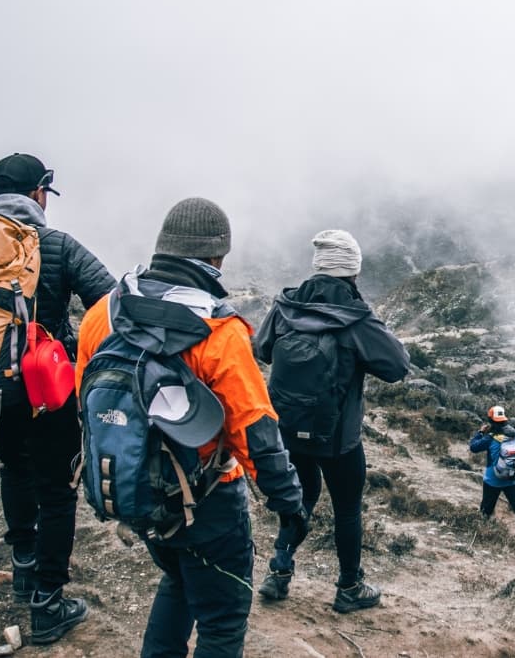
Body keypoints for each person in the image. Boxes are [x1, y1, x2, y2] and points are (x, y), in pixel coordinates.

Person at [76, 198, 307, 658]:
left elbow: (84, 396)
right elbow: (254, 427)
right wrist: (288, 502)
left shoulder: (106, 309)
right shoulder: (217, 328)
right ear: (217, 257)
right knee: (222, 617)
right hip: (207, 500)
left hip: (133, 490)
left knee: (180, 580)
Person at [0, 154, 114, 642]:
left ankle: (23, 567)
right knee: (57, 488)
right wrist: (78, 349)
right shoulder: (54, 244)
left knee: (14, 469)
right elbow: (110, 299)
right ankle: (48, 604)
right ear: (38, 194)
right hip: (46, 387)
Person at [254, 229, 410, 610]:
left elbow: (262, 349)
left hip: (289, 430)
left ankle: (279, 572)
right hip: (339, 438)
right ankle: (349, 587)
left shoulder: (286, 306)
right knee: (347, 509)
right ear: (352, 272)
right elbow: (397, 366)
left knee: (302, 496)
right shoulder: (356, 319)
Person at [468, 405, 515, 535]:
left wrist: (480, 432)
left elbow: (473, 447)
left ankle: (481, 530)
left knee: (486, 508)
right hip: (511, 477)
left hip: (493, 479)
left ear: (491, 421)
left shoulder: (490, 437)